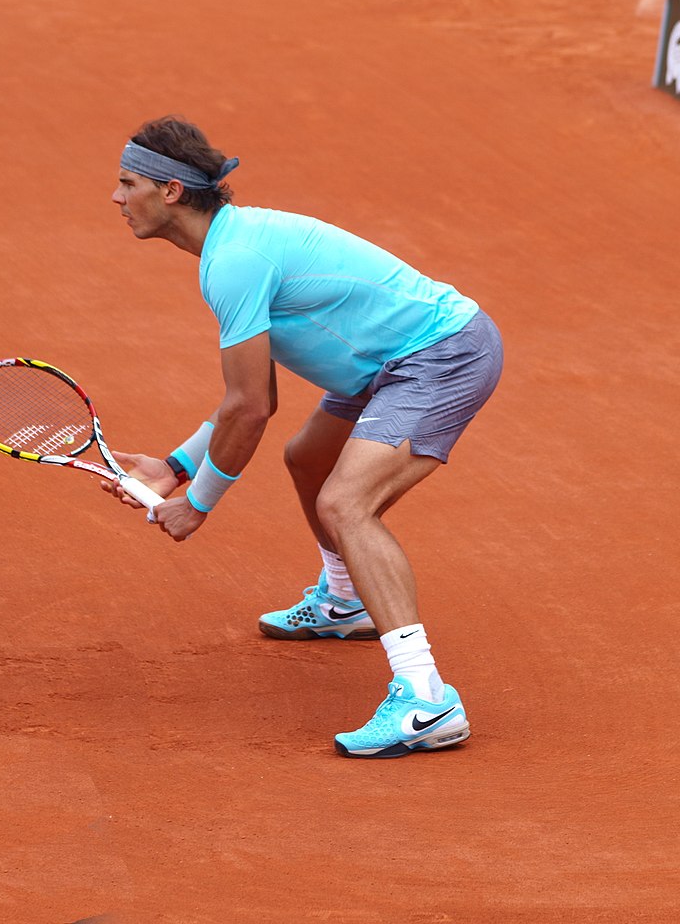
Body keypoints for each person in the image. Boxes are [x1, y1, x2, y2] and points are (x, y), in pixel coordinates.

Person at [106, 116, 503, 759]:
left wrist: (196, 504)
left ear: (171, 191)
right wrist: (174, 466)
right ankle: (347, 601)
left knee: (346, 504)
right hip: (380, 366)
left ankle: (427, 698)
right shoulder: (231, 249)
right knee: (307, 460)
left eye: (128, 184)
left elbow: (250, 406)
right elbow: (255, 399)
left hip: (439, 354)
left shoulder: (235, 261)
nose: (118, 199)